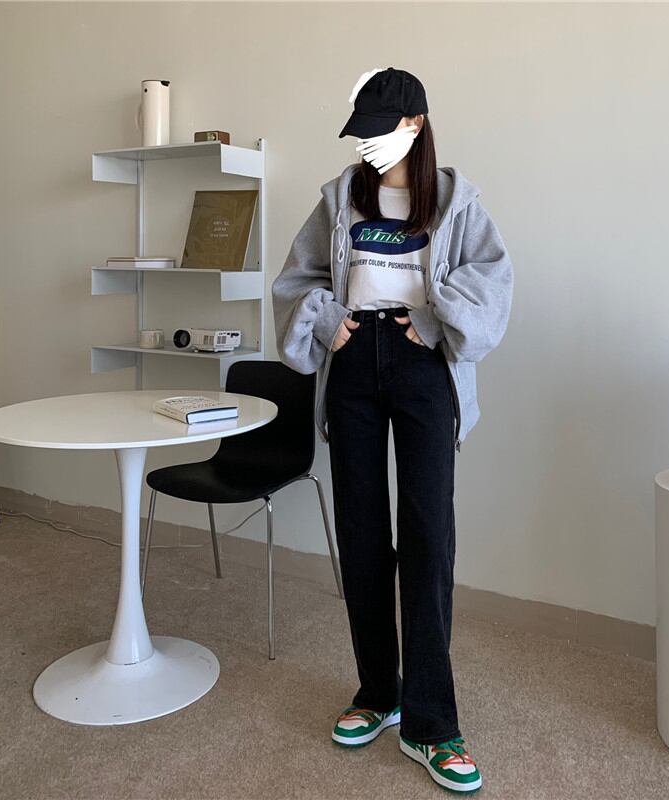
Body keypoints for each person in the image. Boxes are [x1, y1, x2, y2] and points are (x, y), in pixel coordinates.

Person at [271, 66, 514, 794]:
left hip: (422, 363)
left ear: (415, 124)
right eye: (362, 134)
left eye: (382, 131)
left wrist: (435, 320)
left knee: (429, 534)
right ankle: (379, 693)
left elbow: (493, 279)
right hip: (353, 360)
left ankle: (432, 724)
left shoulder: (456, 200)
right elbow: (299, 277)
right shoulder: (340, 196)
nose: (369, 146)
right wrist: (326, 323)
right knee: (362, 531)